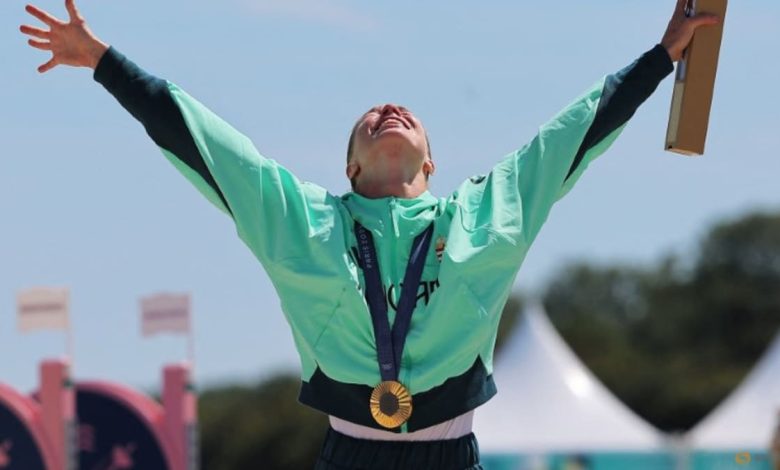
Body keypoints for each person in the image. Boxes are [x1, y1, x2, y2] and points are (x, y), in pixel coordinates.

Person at [20, 1, 718, 468]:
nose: (388, 110)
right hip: (350, 453)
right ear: (349, 166)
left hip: (452, 453)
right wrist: (104, 62)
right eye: (370, 116)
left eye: (405, 114)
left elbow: (576, 134)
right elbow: (201, 139)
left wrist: (662, 56)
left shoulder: (482, 214)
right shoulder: (301, 219)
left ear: (433, 162)